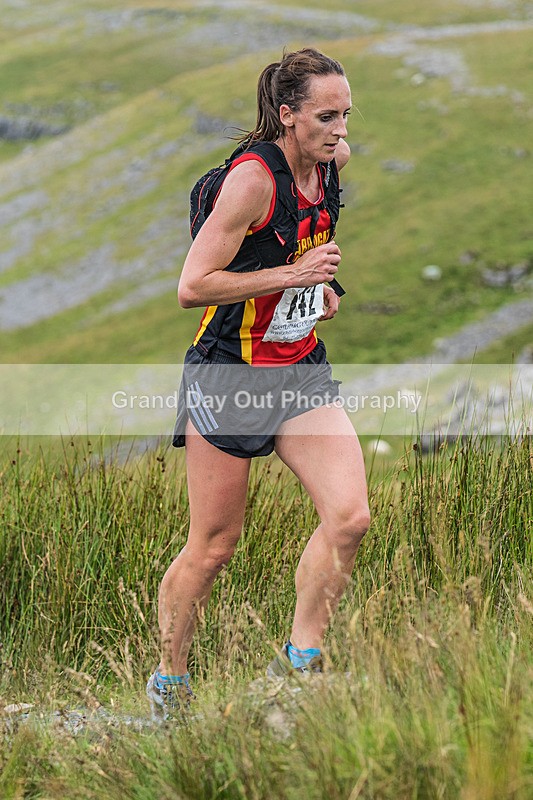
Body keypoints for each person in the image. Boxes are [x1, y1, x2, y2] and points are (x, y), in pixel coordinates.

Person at [147, 47, 370, 720]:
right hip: (230, 375)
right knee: (214, 544)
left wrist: (320, 288)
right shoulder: (250, 182)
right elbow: (194, 287)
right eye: (325, 116)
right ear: (286, 114)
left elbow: (300, 252)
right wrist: (294, 279)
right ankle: (170, 686)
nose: (339, 130)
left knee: (350, 518)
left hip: (298, 367)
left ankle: (296, 666)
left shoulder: (333, 165)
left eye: (346, 115)